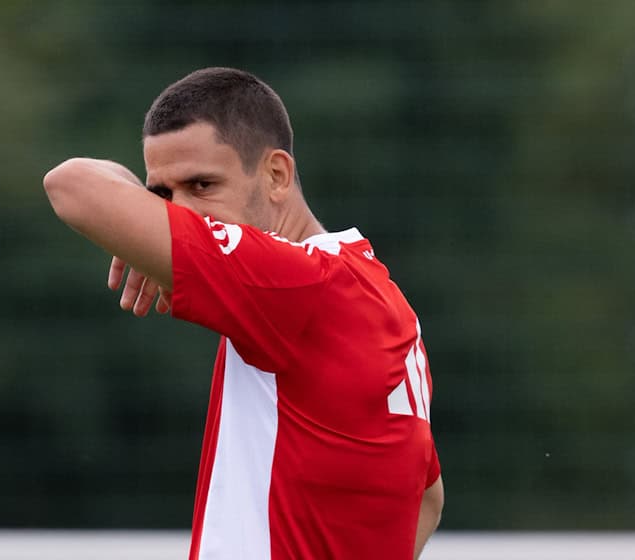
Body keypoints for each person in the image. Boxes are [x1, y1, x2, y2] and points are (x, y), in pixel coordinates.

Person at [43, 67, 443, 560]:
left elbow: (70, 184)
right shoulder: (376, 293)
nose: (181, 212)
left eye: (203, 185)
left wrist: (139, 217)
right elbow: (426, 497)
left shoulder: (290, 280)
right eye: (162, 195)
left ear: (276, 176)